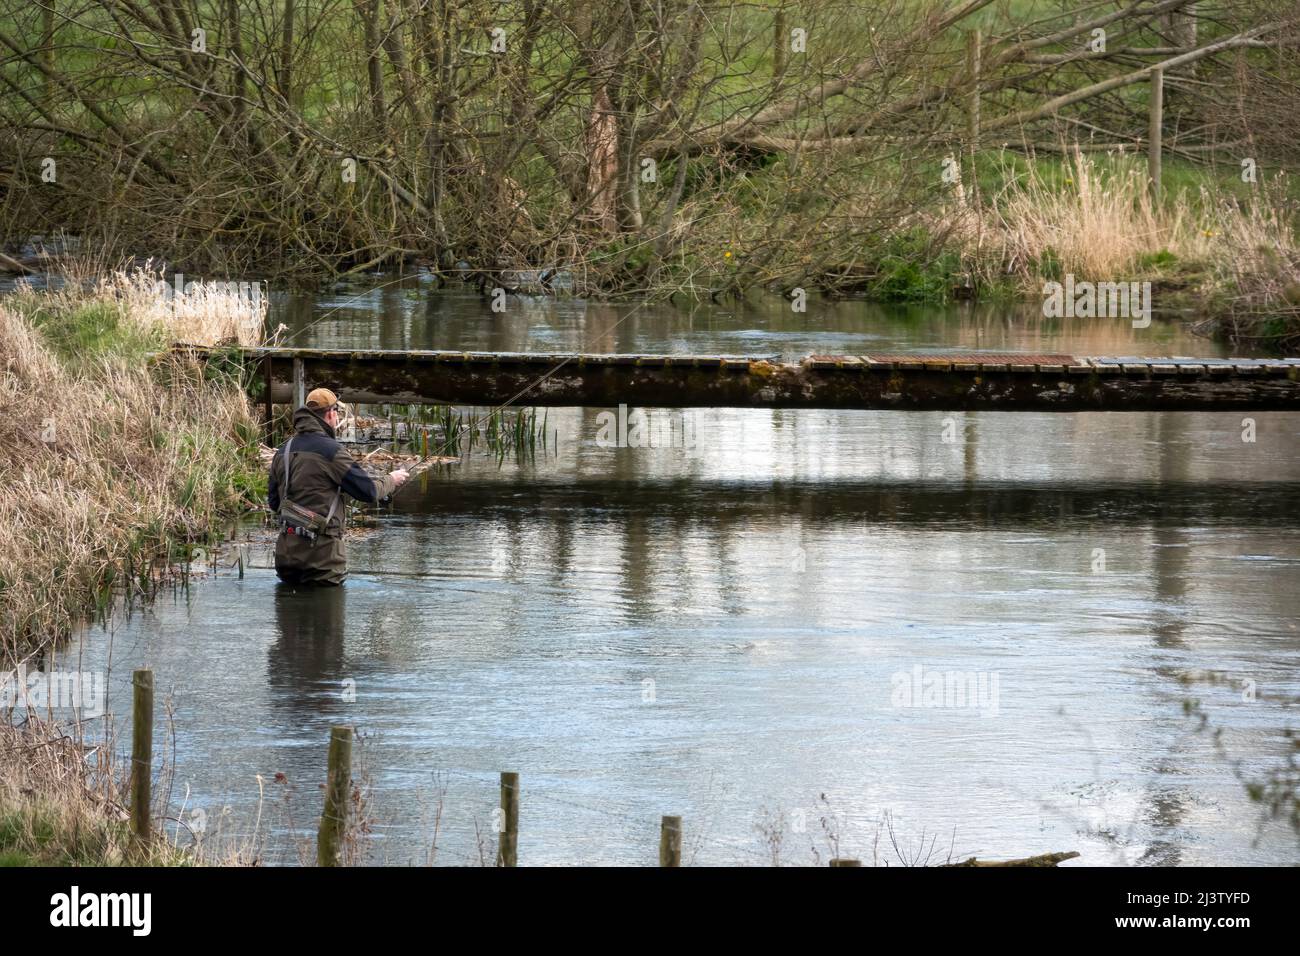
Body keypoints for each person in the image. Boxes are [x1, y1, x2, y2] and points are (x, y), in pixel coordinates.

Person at [267, 387, 408, 585]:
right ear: (331, 414)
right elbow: (368, 491)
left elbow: (274, 503)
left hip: (286, 560)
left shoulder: (282, 451)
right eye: (337, 412)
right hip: (323, 562)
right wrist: (391, 480)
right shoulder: (332, 451)